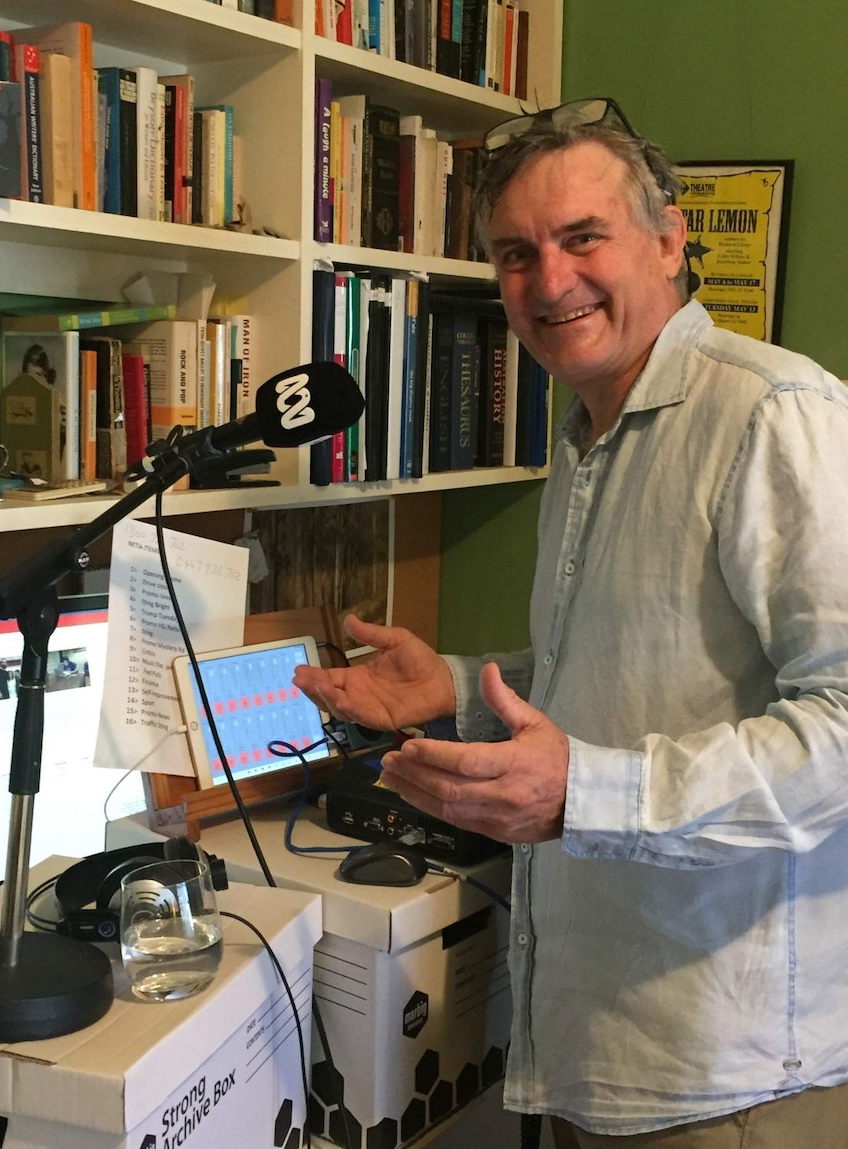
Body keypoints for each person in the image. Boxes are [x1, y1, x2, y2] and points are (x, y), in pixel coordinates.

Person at [294, 98, 848, 1147]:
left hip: (729, 1076)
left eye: (581, 237)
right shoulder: (586, 430)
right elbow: (619, 670)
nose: (549, 283)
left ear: (670, 237)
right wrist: (454, 689)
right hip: (594, 1045)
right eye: (515, 253)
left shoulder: (774, 414)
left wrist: (582, 793)